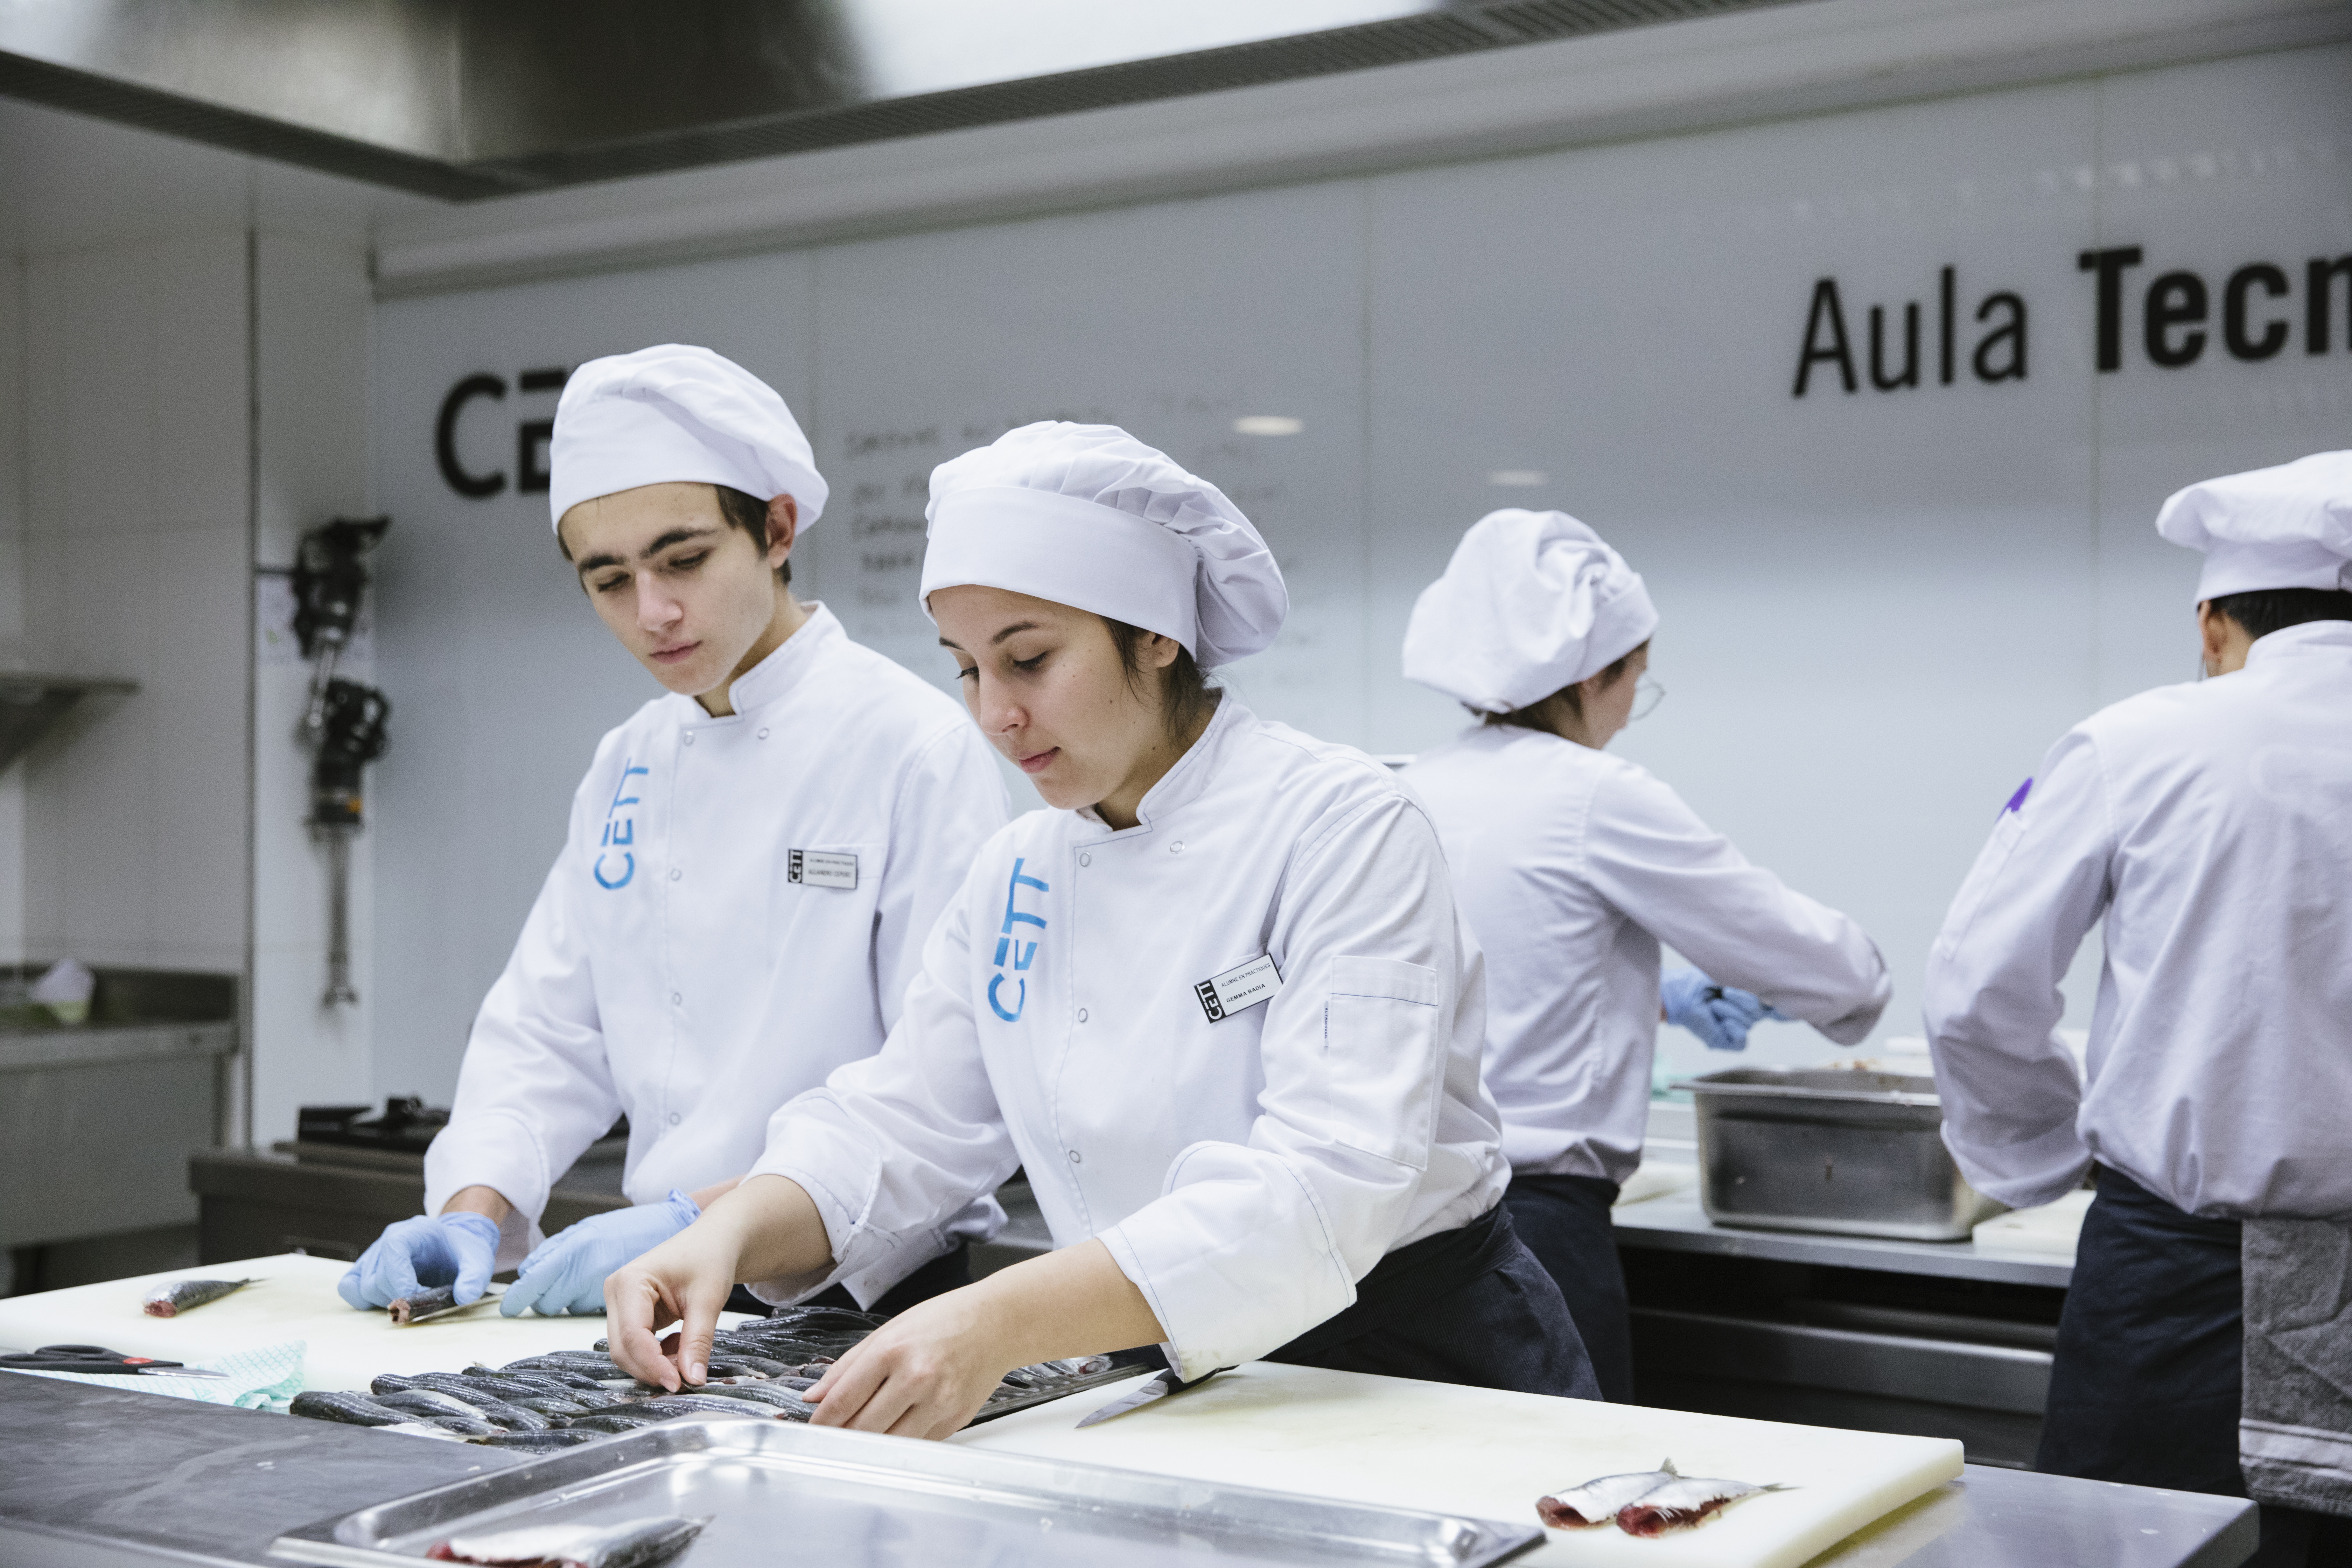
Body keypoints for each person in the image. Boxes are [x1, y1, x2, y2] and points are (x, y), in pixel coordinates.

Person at [603, 422, 1600, 1433]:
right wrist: (726, 1235)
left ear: (1156, 632)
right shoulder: (1019, 872)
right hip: (1178, 1380)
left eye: (1029, 660)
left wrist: (996, 1318)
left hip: (1415, 1380)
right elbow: (903, 1125)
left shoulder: (1342, 827)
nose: (994, 715)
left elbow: (1322, 1190)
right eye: (967, 668)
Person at [337, 345, 1007, 1319]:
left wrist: (709, 1221)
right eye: (608, 580)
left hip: (857, 1298)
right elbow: (548, 1029)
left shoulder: (912, 748)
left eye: (684, 560)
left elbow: (950, 1094)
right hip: (661, 1288)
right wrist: (473, 1211)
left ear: (776, 529)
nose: (653, 613)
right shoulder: (631, 760)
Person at [1924, 451, 2352, 1567]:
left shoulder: (2140, 741)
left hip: (2177, 1282)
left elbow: (1976, 986)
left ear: (2213, 623)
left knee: (2130, 1553)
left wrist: (2037, 1154)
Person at [1400, 510, 1892, 1402]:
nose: (1632, 708)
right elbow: (1821, 963)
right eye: (1638, 680)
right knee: (1576, 1518)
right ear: (1594, 676)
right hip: (1533, 1233)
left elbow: (1479, 969)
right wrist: (1847, 979)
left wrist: (1654, 993)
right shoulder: (1596, 794)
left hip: (1393, 1233)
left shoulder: (1407, 785)